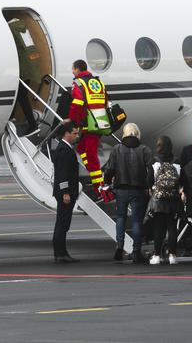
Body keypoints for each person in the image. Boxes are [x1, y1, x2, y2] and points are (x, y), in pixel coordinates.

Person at [104, 122, 154, 263]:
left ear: (124, 133)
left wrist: (107, 182)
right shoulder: (144, 149)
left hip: (121, 188)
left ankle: (119, 246)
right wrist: (148, 185)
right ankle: (136, 251)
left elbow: (110, 169)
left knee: (120, 217)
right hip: (138, 189)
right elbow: (151, 170)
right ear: (137, 133)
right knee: (137, 220)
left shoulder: (117, 149)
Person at [67, 59, 114, 202]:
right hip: (100, 122)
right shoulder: (98, 82)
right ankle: (94, 176)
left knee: (92, 157)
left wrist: (71, 121)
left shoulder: (79, 83)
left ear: (77, 69)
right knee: (82, 149)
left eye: (73, 69)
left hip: (89, 125)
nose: (72, 72)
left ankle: (99, 188)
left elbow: (77, 103)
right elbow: (106, 101)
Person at [149, 136, 182, 265]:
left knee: (159, 228)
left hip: (159, 200)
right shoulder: (177, 161)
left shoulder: (155, 161)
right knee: (172, 227)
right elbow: (181, 179)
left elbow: (149, 179)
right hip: (173, 199)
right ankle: (172, 255)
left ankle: (157, 255)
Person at [52, 121, 81, 263]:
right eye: (75, 133)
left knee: (64, 223)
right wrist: (65, 192)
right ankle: (59, 253)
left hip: (67, 192)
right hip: (65, 193)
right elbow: (62, 174)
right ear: (67, 134)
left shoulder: (65, 148)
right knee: (62, 223)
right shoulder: (64, 150)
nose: (77, 136)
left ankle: (62, 252)